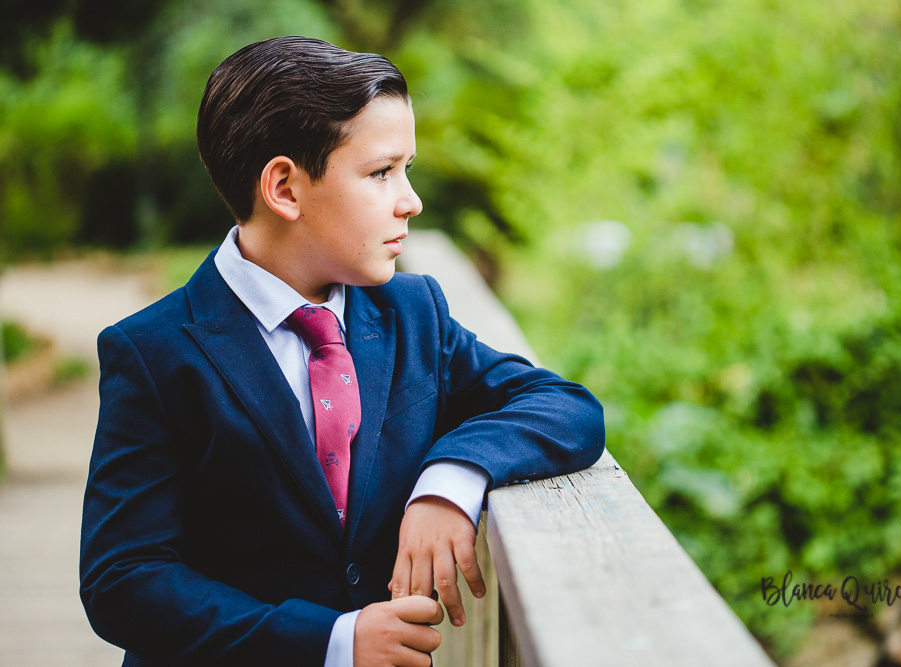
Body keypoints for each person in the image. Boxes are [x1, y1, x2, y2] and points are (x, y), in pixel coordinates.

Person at [80, 35, 604, 667]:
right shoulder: (155, 352)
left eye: (406, 169)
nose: (410, 199)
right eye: (382, 172)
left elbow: (565, 406)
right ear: (285, 188)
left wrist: (450, 481)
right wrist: (331, 642)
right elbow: (124, 579)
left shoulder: (413, 313)